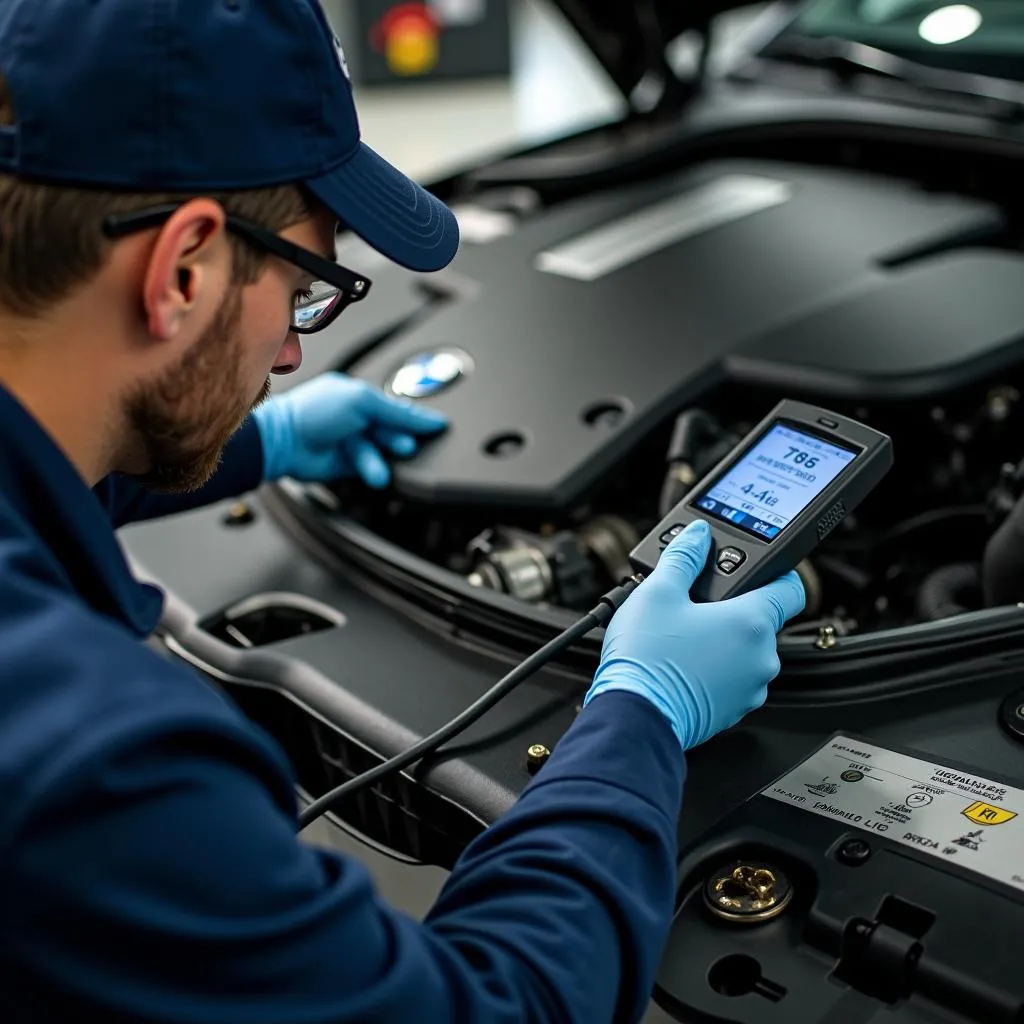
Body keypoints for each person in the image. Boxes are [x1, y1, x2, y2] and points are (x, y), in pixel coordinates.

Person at [0, 1, 805, 1021]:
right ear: (185, 270)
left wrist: (265, 442)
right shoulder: (94, 766)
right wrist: (640, 715)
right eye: (304, 293)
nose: (293, 355)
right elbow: (494, 1005)